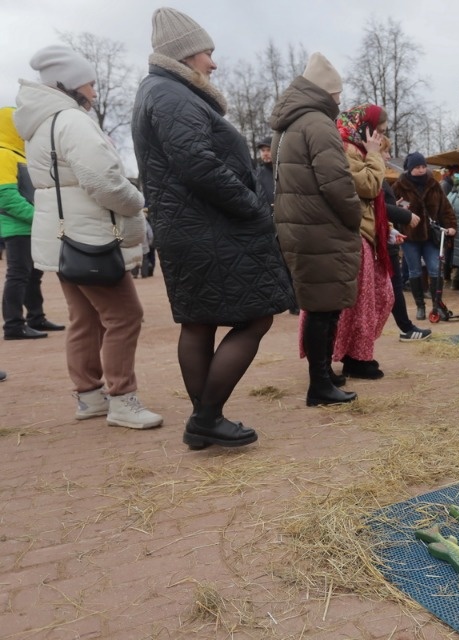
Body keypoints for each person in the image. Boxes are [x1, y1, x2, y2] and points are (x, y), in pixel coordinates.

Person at [132, 8, 295, 448]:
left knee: (199, 323)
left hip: (188, 229)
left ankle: (204, 420)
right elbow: (197, 163)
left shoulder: (161, 91)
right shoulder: (171, 94)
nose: (213, 63)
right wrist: (253, 208)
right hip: (209, 230)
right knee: (258, 316)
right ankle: (206, 417)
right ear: (185, 54)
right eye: (208, 52)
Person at [15, 44, 162, 429]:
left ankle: (90, 397)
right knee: (125, 315)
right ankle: (122, 400)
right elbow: (104, 181)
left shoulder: (39, 124)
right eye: (90, 84)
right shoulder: (72, 121)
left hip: (63, 239)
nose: (94, 92)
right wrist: (138, 201)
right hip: (91, 238)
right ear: (68, 85)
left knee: (84, 318)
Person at [269, 52, 364, 405]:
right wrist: (354, 217)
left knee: (319, 305)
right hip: (321, 227)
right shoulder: (318, 123)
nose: (340, 100)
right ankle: (320, 384)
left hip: (299, 226)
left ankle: (324, 376)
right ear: (327, 92)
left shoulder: (288, 124)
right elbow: (335, 181)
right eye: (337, 93)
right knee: (326, 307)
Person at [333, 103, 394, 379]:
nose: (380, 137)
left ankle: (357, 353)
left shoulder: (355, 148)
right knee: (361, 300)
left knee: (377, 296)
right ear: (365, 128)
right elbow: (369, 186)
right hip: (354, 233)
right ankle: (354, 356)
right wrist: (374, 154)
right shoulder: (348, 150)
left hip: (366, 233)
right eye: (378, 131)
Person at [1, 106, 64, 340]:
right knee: (18, 275)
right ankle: (13, 325)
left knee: (33, 275)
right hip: (18, 226)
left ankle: (35, 317)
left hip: (30, 225)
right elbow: (5, 197)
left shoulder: (19, 154)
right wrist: (39, 215)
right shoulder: (4, 153)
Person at [393, 152, 457, 321]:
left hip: (431, 235)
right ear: (409, 169)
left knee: (436, 268)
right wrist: (399, 211)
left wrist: (451, 226)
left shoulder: (434, 184)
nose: (421, 170)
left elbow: (445, 208)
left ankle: (437, 305)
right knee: (415, 271)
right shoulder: (399, 185)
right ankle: (420, 306)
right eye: (417, 167)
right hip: (410, 236)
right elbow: (388, 207)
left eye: (423, 166)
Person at [381, 145, 432, 341]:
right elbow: (375, 206)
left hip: (391, 237)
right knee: (403, 279)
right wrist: (404, 214)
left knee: (395, 286)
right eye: (385, 151)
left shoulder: (379, 175)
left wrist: (391, 230)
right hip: (386, 240)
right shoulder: (374, 176)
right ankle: (409, 323)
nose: (388, 155)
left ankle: (408, 326)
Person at [254, 137, 274, 206]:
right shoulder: (257, 173)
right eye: (263, 150)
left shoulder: (282, 170)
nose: (265, 154)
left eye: (268, 150)